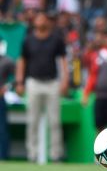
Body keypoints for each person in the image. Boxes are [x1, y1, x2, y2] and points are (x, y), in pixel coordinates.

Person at [15, 12, 69, 163]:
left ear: (48, 22)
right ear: (34, 22)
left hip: (52, 83)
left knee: (55, 121)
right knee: (32, 120)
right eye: (38, 18)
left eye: (44, 19)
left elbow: (63, 61)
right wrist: (20, 81)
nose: (41, 21)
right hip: (33, 82)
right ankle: (32, 154)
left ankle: (55, 155)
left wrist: (65, 80)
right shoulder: (28, 40)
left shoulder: (56, 40)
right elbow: (22, 61)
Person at [0, 47, 15, 160]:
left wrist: (6, 87)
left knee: (2, 129)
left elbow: (17, 78)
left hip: (0, 98)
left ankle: (3, 157)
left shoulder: (7, 61)